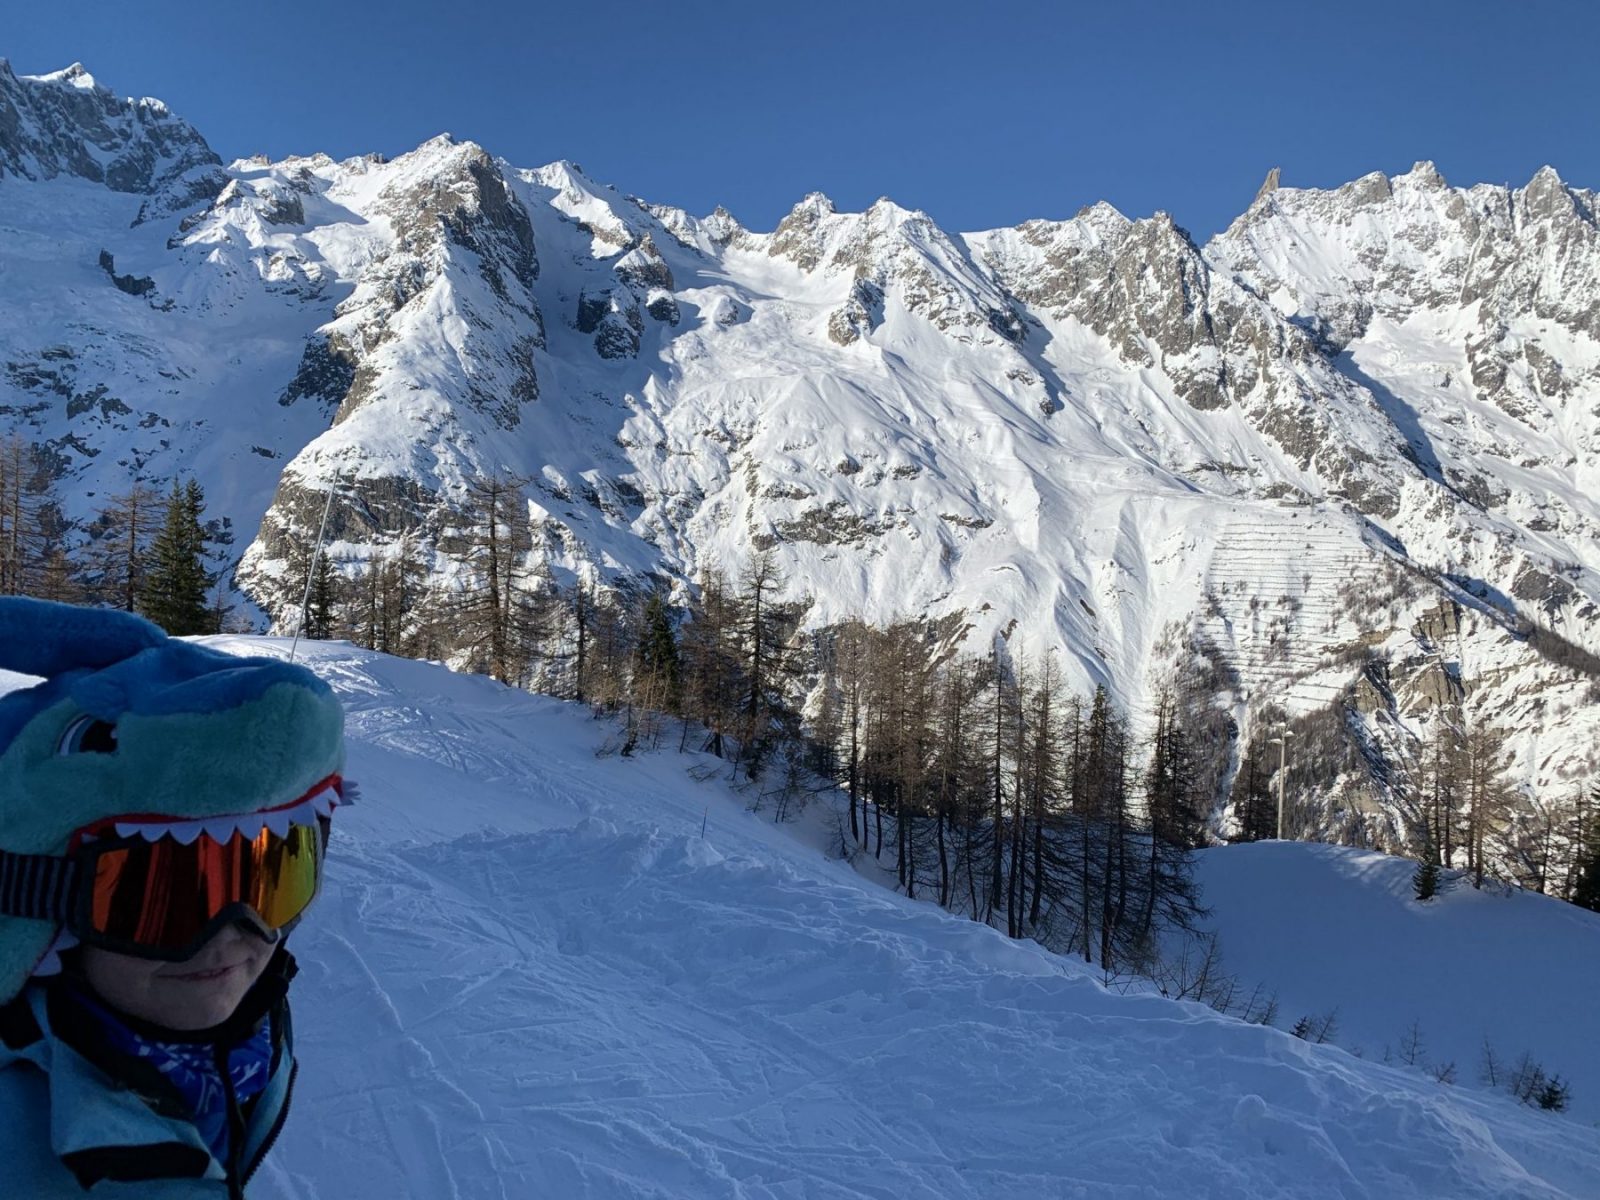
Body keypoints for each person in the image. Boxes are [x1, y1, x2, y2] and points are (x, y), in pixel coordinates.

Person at [0, 597, 348, 1197]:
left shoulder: (245, 1031)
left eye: (270, 883)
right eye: (160, 899)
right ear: (39, 917)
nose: (233, 938)